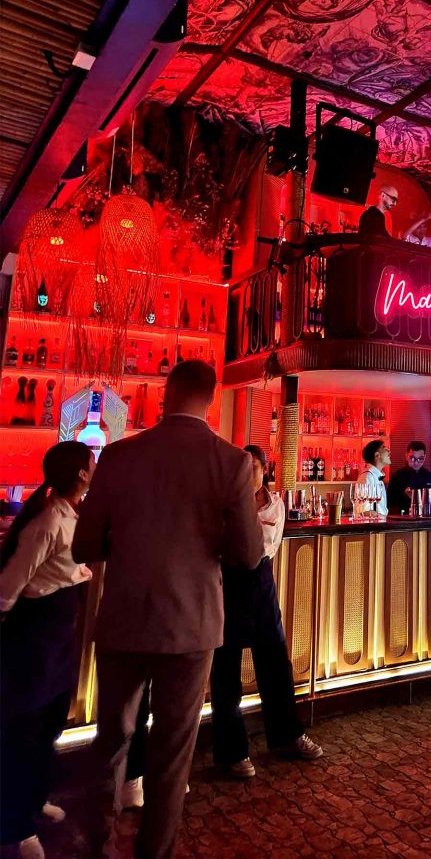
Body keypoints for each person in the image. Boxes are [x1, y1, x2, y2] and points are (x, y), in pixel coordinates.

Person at [73, 360, 263, 859]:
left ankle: (96, 842)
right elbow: (248, 555)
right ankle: (154, 851)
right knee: (172, 752)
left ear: (166, 393)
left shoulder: (118, 455)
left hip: (124, 615)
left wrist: (131, 542)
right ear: (213, 399)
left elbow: (83, 544)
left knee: (111, 739)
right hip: (191, 621)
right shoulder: (231, 462)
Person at [0, 441, 95, 859]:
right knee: (24, 731)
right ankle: (14, 827)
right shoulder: (50, 520)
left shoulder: (70, 514)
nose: (96, 468)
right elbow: (9, 586)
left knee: (50, 723)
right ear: (81, 474)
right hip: (35, 638)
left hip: (57, 636)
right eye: (92, 463)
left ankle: (34, 800)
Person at [210, 444, 322, 780]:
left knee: (275, 664)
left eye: (254, 468)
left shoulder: (276, 504)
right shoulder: (223, 504)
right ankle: (232, 752)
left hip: (261, 584)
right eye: (242, 468)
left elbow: (265, 547)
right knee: (226, 670)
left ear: (264, 470)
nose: (248, 474)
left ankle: (287, 735)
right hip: (226, 584)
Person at [386, 441, 431, 515]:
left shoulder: (429, 476)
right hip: (403, 518)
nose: (416, 462)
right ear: (406, 456)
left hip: (426, 518)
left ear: (425, 457)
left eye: (420, 459)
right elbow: (391, 505)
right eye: (412, 458)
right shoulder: (397, 477)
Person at [355, 440, 391, 517]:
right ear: (377, 455)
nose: (389, 451)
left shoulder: (377, 477)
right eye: (384, 448)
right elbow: (364, 512)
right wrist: (385, 519)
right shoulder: (367, 477)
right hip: (375, 524)